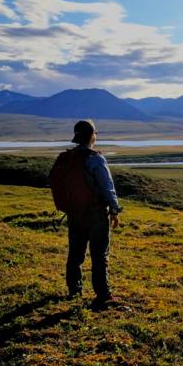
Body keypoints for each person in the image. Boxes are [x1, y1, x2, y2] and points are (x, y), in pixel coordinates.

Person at [60, 119, 122, 306]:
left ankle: (74, 290)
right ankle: (103, 295)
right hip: (95, 213)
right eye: (96, 133)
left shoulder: (68, 157)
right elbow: (107, 187)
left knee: (75, 254)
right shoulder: (95, 158)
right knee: (99, 255)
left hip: (74, 213)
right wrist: (114, 210)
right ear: (92, 135)